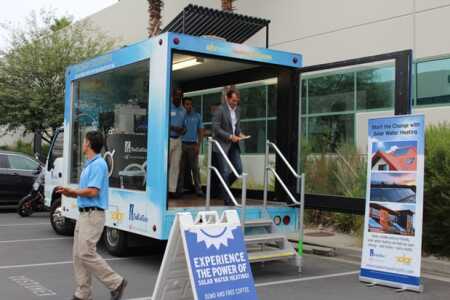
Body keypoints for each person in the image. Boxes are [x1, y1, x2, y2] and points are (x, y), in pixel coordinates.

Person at [56, 131, 127, 300]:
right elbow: (85, 192)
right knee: (78, 255)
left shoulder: (98, 164)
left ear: (88, 143)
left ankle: (116, 283)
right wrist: (70, 193)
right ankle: (83, 293)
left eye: (84, 141)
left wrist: (73, 191)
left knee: (86, 253)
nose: (82, 143)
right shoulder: (90, 164)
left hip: (93, 215)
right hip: (85, 215)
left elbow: (93, 191)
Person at [212, 90, 243, 206]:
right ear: (227, 98)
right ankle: (227, 199)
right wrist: (230, 136)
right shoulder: (220, 110)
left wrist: (241, 134)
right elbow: (215, 128)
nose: (235, 103)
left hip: (234, 144)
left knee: (239, 169)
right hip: (221, 145)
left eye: (237, 101)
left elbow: (236, 127)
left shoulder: (238, 111)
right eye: (233, 100)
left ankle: (223, 186)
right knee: (224, 171)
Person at [178, 97, 204, 197]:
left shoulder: (197, 116)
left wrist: (199, 144)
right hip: (181, 144)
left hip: (193, 144)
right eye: (187, 104)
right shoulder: (180, 116)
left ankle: (198, 189)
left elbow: (201, 130)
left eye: (190, 104)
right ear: (183, 105)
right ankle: (179, 189)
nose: (189, 106)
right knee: (181, 168)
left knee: (195, 168)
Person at [169, 87, 186, 197]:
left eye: (180, 96)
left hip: (178, 140)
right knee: (165, 165)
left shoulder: (183, 110)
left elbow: (184, 126)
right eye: (176, 95)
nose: (178, 97)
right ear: (172, 95)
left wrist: (184, 129)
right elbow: (163, 122)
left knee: (175, 166)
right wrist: (174, 128)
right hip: (168, 139)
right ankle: (162, 189)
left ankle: (171, 190)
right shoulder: (167, 107)